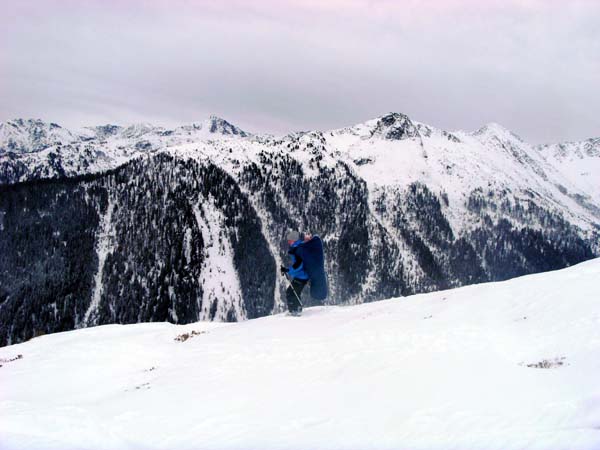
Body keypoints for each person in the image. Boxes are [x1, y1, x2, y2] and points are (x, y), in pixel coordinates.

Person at [280, 231, 312, 315]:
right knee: (294, 292)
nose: (288, 241)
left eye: (289, 240)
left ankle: (295, 311)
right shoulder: (298, 247)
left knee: (291, 292)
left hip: (302, 276)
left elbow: (298, 265)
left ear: (294, 240)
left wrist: (287, 270)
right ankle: (296, 310)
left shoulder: (298, 249)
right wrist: (287, 270)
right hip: (302, 275)